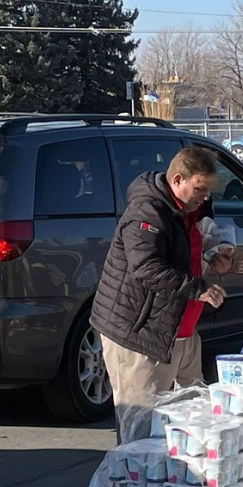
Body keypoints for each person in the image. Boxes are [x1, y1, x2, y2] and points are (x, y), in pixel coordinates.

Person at [91, 146, 232, 441]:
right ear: (178, 179)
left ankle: (177, 484)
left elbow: (188, 251)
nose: (205, 197)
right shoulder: (147, 212)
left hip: (182, 333)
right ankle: (133, 486)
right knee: (140, 433)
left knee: (193, 426)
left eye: (208, 190)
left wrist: (214, 254)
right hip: (141, 336)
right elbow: (147, 267)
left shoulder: (188, 210)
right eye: (199, 189)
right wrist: (199, 289)